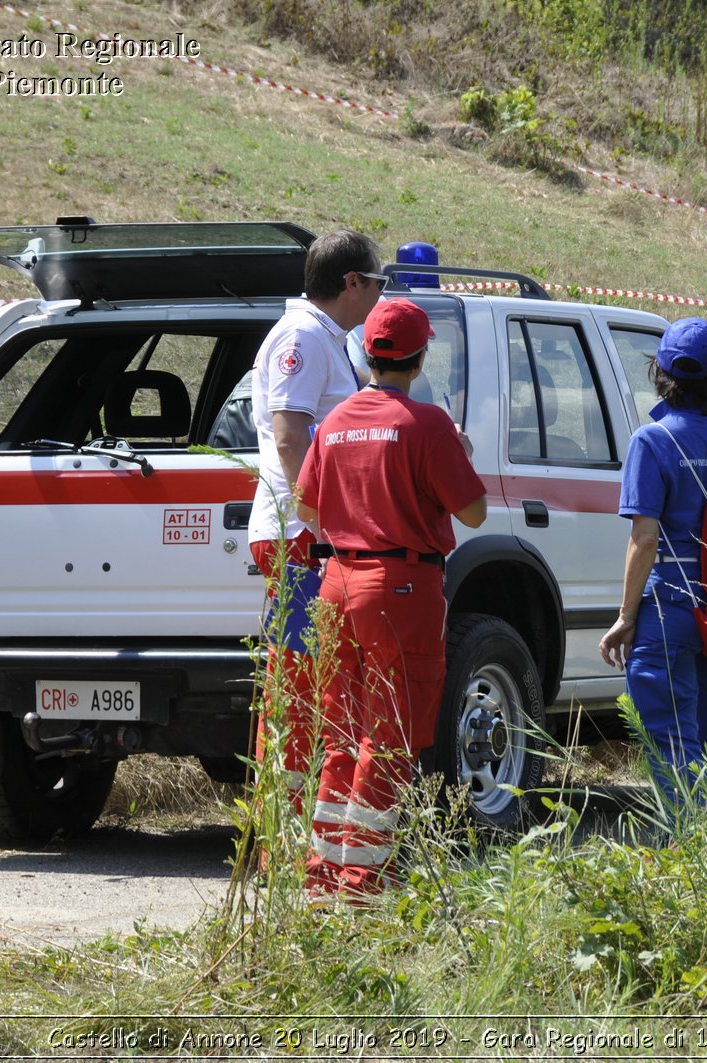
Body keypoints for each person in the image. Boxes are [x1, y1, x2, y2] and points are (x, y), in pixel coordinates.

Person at [294, 298, 487, 896]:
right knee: (391, 732)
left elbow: (305, 508)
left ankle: (325, 874)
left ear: (369, 353)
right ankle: (364, 878)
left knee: (342, 735)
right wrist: (459, 452)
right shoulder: (426, 424)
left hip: (336, 585)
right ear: (420, 355)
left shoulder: (335, 421)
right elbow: (474, 513)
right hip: (400, 590)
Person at [248, 228, 386, 819]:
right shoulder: (303, 336)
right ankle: (283, 835)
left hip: (310, 535)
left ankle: (298, 832)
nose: (380, 295)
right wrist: (326, 517)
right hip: (301, 537)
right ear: (351, 282)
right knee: (300, 688)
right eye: (377, 283)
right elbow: (288, 435)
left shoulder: (327, 338)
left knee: (317, 684)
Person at [599, 317, 707, 806]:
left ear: (660, 374)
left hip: (669, 606)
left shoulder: (652, 442)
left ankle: (687, 849)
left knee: (671, 737)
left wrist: (627, 616)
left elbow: (644, 540)